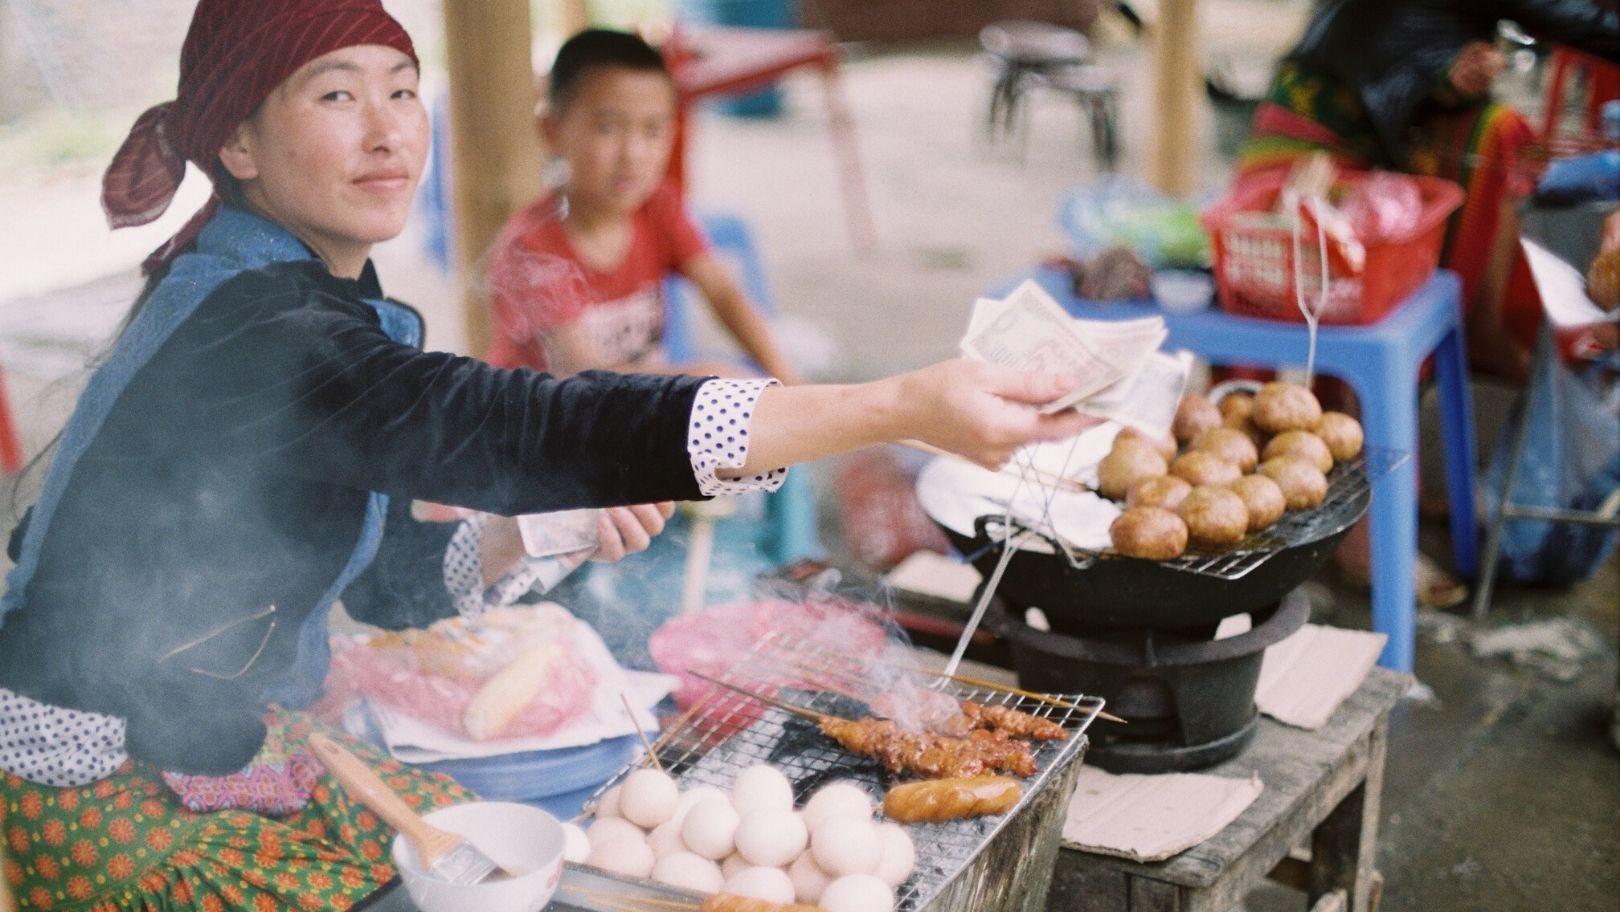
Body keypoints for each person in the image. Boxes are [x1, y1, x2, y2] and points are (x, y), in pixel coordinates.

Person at [0, 2, 1095, 909]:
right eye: (336, 95)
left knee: (486, 861)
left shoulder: (309, 297)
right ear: (235, 142)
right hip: (96, 766)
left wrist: (539, 525)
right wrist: (899, 404)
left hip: (230, 726)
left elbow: (378, 587)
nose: (389, 129)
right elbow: (532, 423)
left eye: (398, 85)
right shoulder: (253, 333)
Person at [1234, 0, 1617, 607]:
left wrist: (1446, 70)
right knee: (1366, 323)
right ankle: (1364, 531)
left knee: (1494, 146)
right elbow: (1569, 19)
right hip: (1307, 157)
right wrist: (1443, 70)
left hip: (1367, 141)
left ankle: (1377, 499)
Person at [1238, 0, 1618, 383]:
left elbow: (1406, 49)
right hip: (1315, 133)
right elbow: (1585, 23)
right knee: (1499, 134)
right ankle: (1474, 334)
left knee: (1286, 288)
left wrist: (1450, 80)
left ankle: (1447, 349)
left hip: (1325, 108)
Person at [483, 28, 803, 383]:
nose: (633, 154)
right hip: (543, 430)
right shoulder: (530, 248)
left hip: (631, 411)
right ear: (552, 131)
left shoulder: (656, 206)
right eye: (607, 127)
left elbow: (723, 293)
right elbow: (584, 377)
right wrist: (706, 380)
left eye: (652, 131)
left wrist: (793, 387)